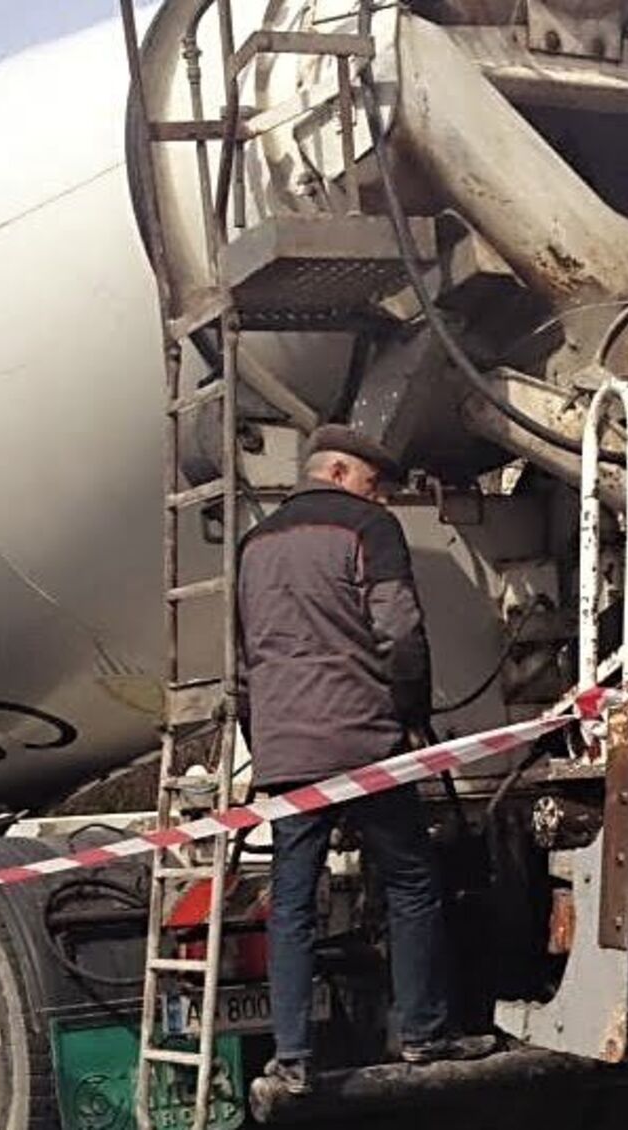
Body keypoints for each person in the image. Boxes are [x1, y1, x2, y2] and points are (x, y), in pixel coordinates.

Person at [237, 425, 497, 1099]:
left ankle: (291, 1058)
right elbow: (400, 631)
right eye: (373, 482)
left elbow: (244, 665)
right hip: (362, 745)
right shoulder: (368, 529)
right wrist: (410, 714)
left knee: (293, 903)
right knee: (411, 884)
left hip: (285, 752)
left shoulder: (253, 545)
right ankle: (422, 1033)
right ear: (344, 473)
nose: (378, 494)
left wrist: (263, 737)